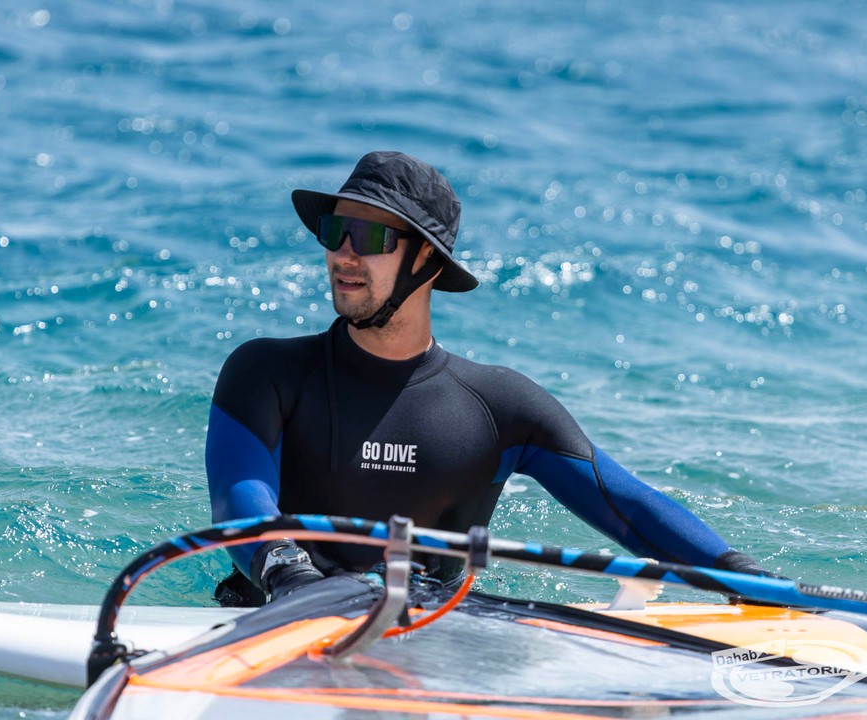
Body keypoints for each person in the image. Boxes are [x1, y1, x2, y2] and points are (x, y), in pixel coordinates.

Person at [205, 151, 771, 607]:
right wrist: (290, 575)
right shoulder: (267, 373)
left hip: (433, 631)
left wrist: (745, 577)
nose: (344, 256)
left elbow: (627, 505)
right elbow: (240, 500)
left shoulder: (499, 408)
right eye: (336, 232)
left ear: (427, 261)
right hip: (276, 615)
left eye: (371, 237)